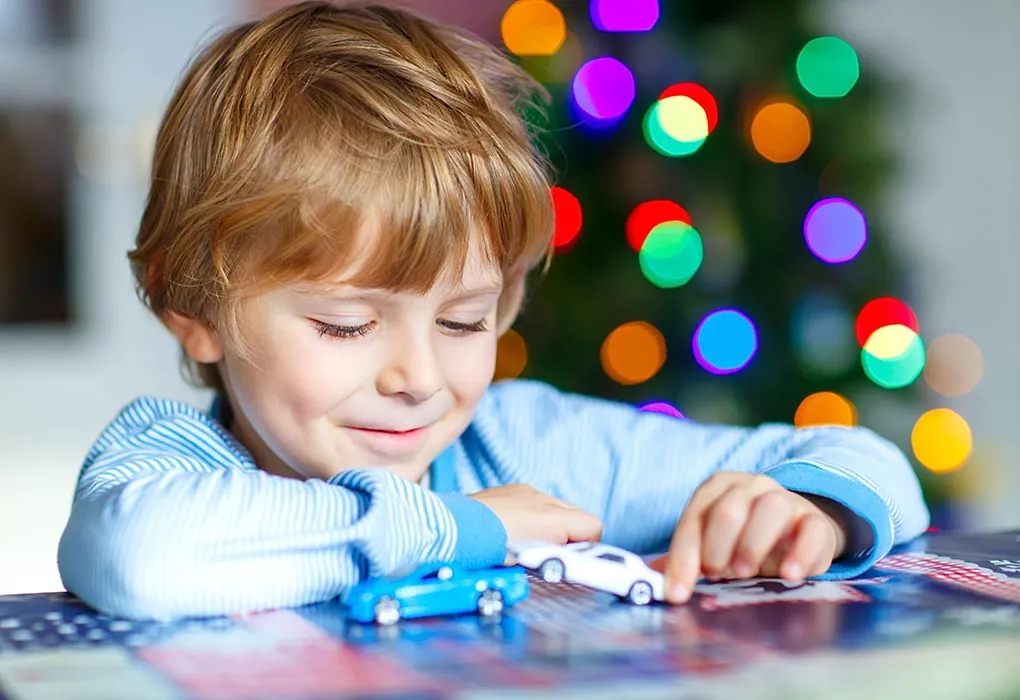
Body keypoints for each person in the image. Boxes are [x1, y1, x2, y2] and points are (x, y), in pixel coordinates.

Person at [57, 1, 929, 622]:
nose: (419, 380)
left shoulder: (531, 446)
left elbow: (866, 458)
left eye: (463, 320)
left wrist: (810, 507)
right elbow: (148, 560)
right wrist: (466, 528)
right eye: (348, 324)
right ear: (192, 305)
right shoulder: (168, 456)